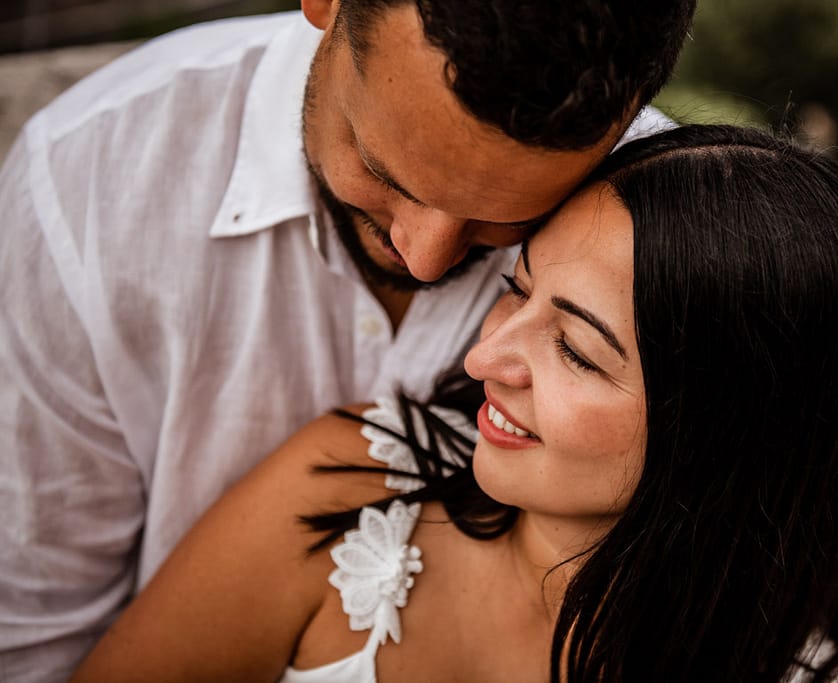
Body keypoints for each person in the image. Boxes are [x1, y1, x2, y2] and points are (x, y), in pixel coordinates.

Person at [0, 1, 697, 678]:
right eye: (381, 169)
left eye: (503, 221)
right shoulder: (84, 184)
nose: (425, 257)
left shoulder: (672, 239)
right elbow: (31, 637)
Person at [70, 125, 838, 682]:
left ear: (725, 429)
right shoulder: (348, 483)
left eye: (577, 349)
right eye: (517, 290)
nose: (482, 357)